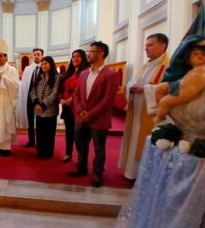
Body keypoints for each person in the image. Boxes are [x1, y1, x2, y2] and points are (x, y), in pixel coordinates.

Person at [118, 33, 170, 180]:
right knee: (135, 140)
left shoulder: (169, 67)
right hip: (137, 113)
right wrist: (132, 86)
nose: (146, 48)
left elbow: (170, 89)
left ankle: (146, 176)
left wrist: (145, 88)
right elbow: (132, 82)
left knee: (146, 142)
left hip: (153, 116)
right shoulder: (146, 66)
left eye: (150, 45)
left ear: (162, 46)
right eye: (146, 45)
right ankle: (132, 173)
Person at [68, 41, 119, 187]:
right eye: (88, 51)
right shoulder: (84, 74)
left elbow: (108, 100)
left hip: (98, 118)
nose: (88, 54)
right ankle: (81, 167)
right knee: (80, 145)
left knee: (99, 148)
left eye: (91, 51)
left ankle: (97, 173)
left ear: (101, 53)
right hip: (81, 116)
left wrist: (90, 114)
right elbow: (76, 94)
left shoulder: (111, 75)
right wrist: (79, 111)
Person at [154, 37, 205, 124]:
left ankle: (160, 117)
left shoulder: (202, 69)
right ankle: (161, 110)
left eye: (203, 54)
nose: (199, 56)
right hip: (181, 86)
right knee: (160, 88)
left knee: (165, 102)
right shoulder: (191, 70)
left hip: (186, 93)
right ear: (188, 60)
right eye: (195, 54)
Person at [58, 49, 89, 163]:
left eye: (78, 56)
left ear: (83, 58)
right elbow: (61, 88)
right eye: (73, 56)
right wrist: (61, 97)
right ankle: (68, 153)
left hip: (78, 107)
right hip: (66, 106)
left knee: (79, 135)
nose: (75, 58)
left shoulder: (86, 72)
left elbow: (83, 90)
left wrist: (72, 98)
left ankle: (81, 159)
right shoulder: (68, 73)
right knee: (69, 132)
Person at [30, 56, 60, 158]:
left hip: (50, 111)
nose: (43, 65)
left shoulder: (57, 77)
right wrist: (36, 103)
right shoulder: (39, 76)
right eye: (42, 64)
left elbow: (54, 94)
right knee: (40, 132)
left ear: (51, 64)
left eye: (45, 63)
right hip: (39, 111)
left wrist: (43, 105)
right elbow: (33, 91)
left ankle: (48, 153)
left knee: (49, 133)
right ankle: (40, 151)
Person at [18, 48, 44, 148]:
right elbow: (24, 84)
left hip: (41, 100)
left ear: (42, 55)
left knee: (40, 120)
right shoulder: (28, 69)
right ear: (32, 56)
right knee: (30, 119)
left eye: (38, 54)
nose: (36, 56)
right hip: (29, 98)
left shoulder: (45, 67)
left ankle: (41, 141)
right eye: (35, 54)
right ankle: (31, 140)